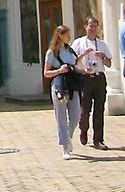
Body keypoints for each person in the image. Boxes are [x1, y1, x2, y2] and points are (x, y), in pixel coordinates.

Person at [44, 25, 88, 160]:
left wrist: (84, 70)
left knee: (76, 115)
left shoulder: (69, 49)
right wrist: (59, 71)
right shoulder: (51, 52)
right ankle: (65, 148)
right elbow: (46, 73)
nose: (69, 37)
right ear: (60, 35)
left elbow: (73, 65)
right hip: (59, 86)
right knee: (61, 117)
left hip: (72, 85)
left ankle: (67, 137)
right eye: (67, 35)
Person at [72, 16, 113, 150]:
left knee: (99, 109)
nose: (92, 28)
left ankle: (98, 140)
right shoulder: (78, 43)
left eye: (95, 26)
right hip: (85, 78)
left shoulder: (102, 44)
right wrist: (83, 55)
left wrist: (103, 57)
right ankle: (83, 129)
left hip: (99, 78)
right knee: (85, 110)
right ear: (86, 27)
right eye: (90, 25)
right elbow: (72, 61)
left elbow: (109, 63)